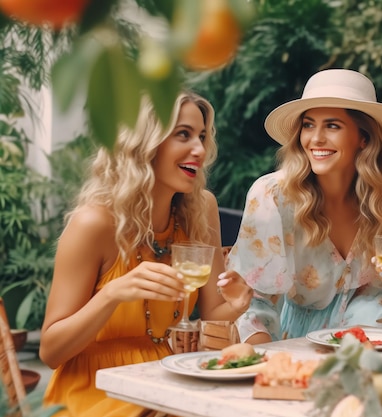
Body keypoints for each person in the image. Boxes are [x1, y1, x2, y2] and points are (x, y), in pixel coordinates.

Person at [40, 92, 253, 416]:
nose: (199, 149)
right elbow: (51, 351)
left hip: (167, 380)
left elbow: (212, 314)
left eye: (202, 136)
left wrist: (236, 305)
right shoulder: (94, 224)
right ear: (143, 144)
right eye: (183, 134)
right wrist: (111, 294)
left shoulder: (200, 211)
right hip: (95, 392)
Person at [219, 69, 382, 344]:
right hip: (295, 339)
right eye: (308, 125)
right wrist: (266, 366)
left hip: (372, 339)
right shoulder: (271, 197)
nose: (315, 139)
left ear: (363, 138)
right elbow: (255, 303)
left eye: (332, 126)